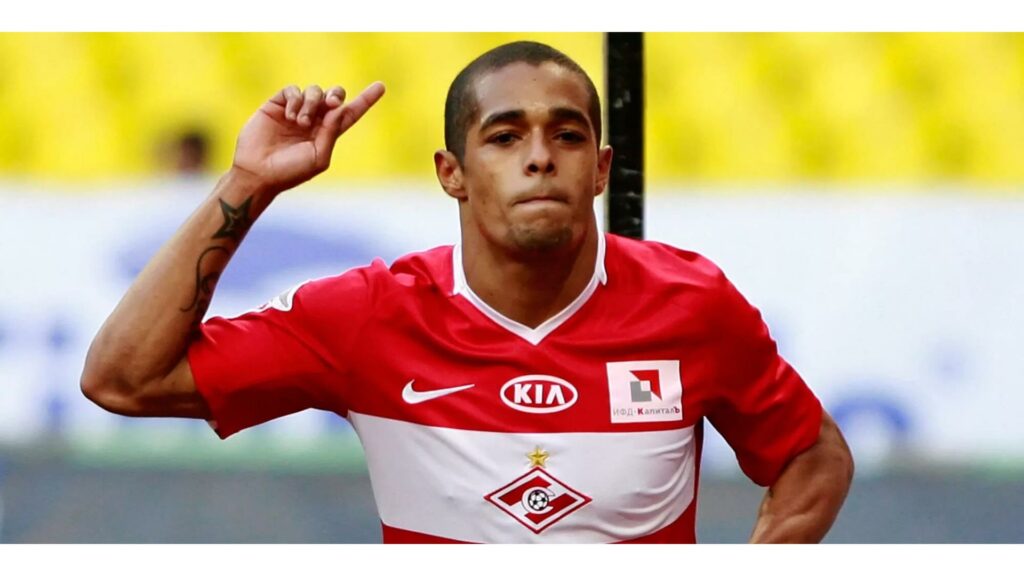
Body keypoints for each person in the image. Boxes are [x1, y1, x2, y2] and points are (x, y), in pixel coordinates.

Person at [81, 40, 853, 544]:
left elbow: (812, 456)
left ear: (601, 170)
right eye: (505, 136)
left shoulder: (692, 304)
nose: (540, 157)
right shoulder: (368, 316)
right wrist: (249, 183)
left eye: (568, 135)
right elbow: (123, 379)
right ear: (451, 173)